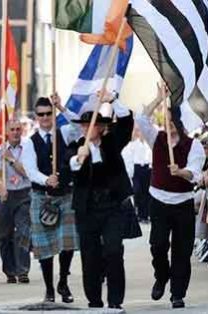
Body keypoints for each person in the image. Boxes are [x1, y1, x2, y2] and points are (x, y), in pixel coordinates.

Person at [135, 83, 204, 309]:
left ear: (181, 123)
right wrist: (157, 99)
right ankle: (161, 275)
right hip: (159, 201)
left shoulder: (193, 146)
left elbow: (194, 174)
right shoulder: (157, 139)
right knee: (158, 244)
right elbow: (141, 120)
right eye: (167, 121)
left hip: (182, 202)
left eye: (173, 122)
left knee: (182, 250)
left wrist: (181, 172)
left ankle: (177, 293)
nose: (170, 125)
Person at [69, 93, 134, 309]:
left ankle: (115, 302)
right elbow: (68, 171)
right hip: (87, 210)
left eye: (92, 124)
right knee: (90, 256)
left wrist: (112, 99)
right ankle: (94, 301)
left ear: (100, 127)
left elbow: (126, 121)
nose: (87, 128)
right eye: (85, 125)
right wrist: (78, 159)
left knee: (114, 251)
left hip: (112, 207)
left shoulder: (112, 142)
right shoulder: (76, 148)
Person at [20, 95, 80, 303]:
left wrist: (62, 107)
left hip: (65, 196)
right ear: (36, 117)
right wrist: (47, 180)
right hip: (42, 196)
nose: (45, 117)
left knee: (67, 243)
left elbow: (80, 126)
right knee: (45, 247)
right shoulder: (30, 142)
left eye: (48, 113)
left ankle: (63, 281)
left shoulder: (64, 133)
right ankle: (49, 289)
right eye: (41, 114)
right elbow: (30, 170)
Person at [0, 119, 32, 284]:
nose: (15, 132)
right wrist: (0, 186)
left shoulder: (28, 149)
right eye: (12, 129)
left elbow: (28, 172)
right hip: (6, 196)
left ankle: (22, 270)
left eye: (18, 129)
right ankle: (9, 270)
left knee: (23, 232)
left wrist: (11, 160)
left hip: (23, 194)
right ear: (7, 132)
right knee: (5, 234)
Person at [122, 125, 153, 222]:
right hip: (137, 168)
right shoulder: (133, 145)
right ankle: (139, 212)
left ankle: (145, 214)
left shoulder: (149, 145)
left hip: (147, 168)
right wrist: (130, 172)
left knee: (147, 192)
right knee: (138, 191)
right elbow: (130, 158)